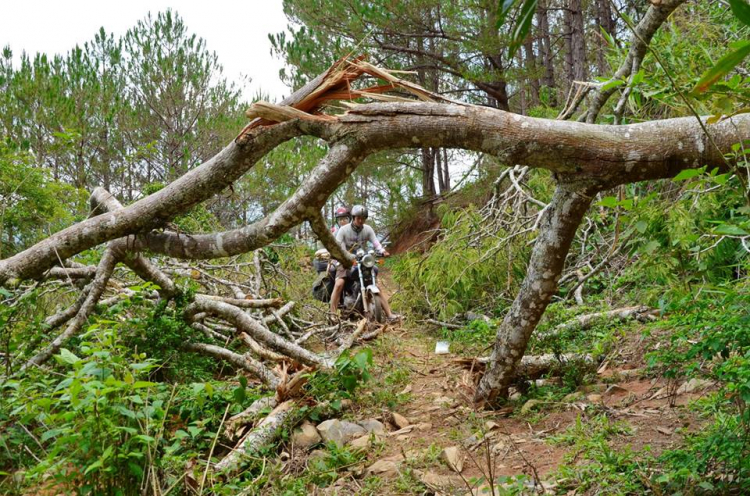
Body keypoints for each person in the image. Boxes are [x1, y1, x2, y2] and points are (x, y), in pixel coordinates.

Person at [330, 204, 401, 322]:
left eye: (363, 218)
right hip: (346, 260)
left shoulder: (367, 229)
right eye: (358, 218)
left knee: (376, 285)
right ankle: (332, 314)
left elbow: (376, 242)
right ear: (353, 217)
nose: (360, 220)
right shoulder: (343, 230)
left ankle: (389, 315)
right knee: (339, 283)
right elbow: (339, 247)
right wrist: (345, 256)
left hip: (362, 260)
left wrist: (382, 251)